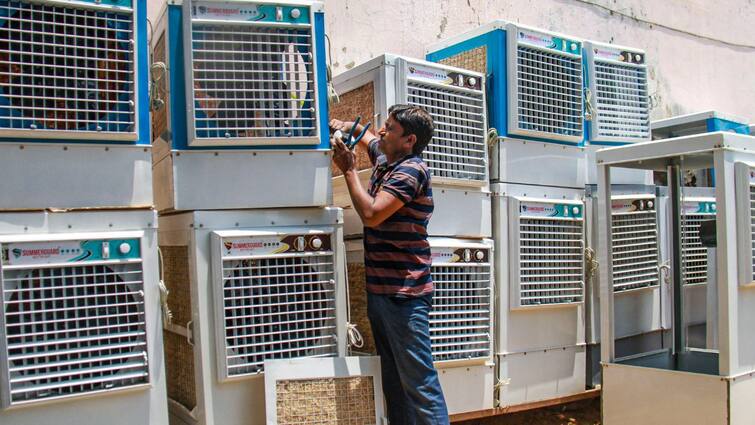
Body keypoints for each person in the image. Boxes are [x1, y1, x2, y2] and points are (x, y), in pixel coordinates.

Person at [330, 104, 449, 425]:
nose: (382, 131)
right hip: (383, 292)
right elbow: (368, 137)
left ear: (409, 140)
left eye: (390, 129)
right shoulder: (387, 161)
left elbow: (372, 214)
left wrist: (349, 170)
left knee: (420, 385)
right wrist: (343, 124)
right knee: (394, 384)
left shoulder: (411, 171)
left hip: (404, 296)